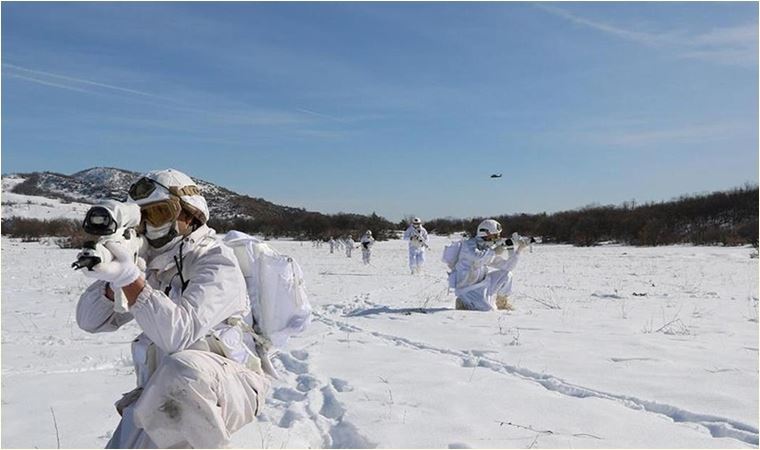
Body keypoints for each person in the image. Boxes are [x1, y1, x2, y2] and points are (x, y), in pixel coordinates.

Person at [76, 169, 270, 448]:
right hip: (164, 390)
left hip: (231, 385)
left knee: (184, 371)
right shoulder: (154, 264)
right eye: (143, 218)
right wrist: (112, 278)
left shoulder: (216, 261)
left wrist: (129, 279)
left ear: (190, 215)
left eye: (159, 213)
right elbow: (89, 320)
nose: (151, 225)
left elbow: (179, 335)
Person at [449, 219, 528, 311]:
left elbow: (507, 266)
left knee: (507, 275)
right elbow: (477, 257)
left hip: (482, 284)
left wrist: (518, 250)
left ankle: (502, 303)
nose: (497, 238)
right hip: (467, 290)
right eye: (495, 235)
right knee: (488, 309)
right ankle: (462, 301)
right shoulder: (468, 245)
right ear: (485, 233)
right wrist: (494, 252)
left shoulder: (486, 249)